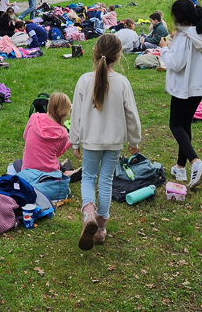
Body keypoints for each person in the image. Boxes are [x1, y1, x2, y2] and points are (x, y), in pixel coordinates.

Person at [69, 33, 142, 250]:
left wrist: (75, 141)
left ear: (94, 53)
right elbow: (132, 114)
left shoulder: (84, 80)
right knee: (106, 181)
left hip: (90, 141)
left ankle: (88, 213)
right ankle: (100, 229)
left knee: (89, 177)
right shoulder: (122, 82)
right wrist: (134, 140)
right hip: (113, 143)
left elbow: (76, 115)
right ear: (118, 56)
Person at [160, 0, 202, 190]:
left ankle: (196, 162)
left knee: (175, 125)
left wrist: (165, 48)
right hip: (199, 87)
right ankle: (180, 168)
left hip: (183, 88)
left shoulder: (184, 38)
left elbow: (175, 64)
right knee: (185, 125)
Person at [22, 92, 72, 174]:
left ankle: (64, 169)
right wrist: (70, 141)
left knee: (17, 162)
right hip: (50, 176)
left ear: (49, 106)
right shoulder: (63, 134)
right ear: (66, 113)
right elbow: (58, 153)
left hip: (28, 175)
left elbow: (25, 137)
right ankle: (65, 171)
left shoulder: (34, 117)